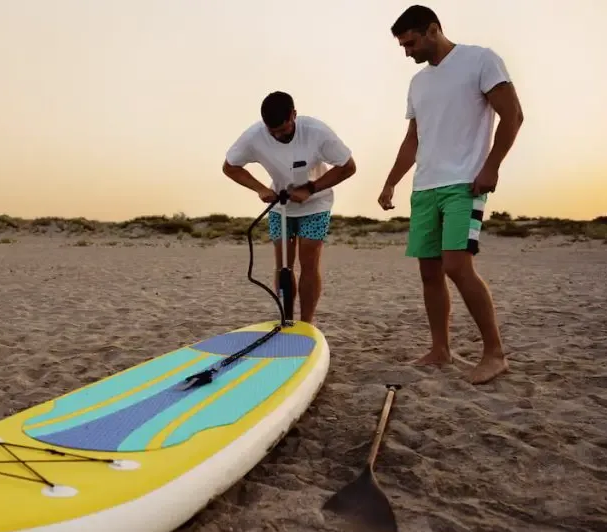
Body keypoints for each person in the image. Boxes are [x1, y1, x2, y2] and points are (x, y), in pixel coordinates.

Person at [378, 5, 524, 384]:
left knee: (456, 266)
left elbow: (513, 116)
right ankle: (440, 349)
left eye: (410, 43)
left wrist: (492, 166)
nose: (406, 52)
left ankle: (494, 353)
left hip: (464, 183)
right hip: (425, 186)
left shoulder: (481, 60)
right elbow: (413, 139)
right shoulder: (418, 83)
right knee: (429, 272)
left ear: (432, 30)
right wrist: (392, 180)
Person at [222, 91, 356, 325]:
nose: (278, 136)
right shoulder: (254, 136)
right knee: (283, 263)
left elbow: (348, 167)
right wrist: (261, 189)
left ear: (294, 115)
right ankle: (286, 318)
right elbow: (230, 167)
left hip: (317, 203)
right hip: (280, 205)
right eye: (272, 132)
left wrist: (310, 188)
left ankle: (306, 323)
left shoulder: (317, 132)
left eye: (283, 130)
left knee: (309, 261)